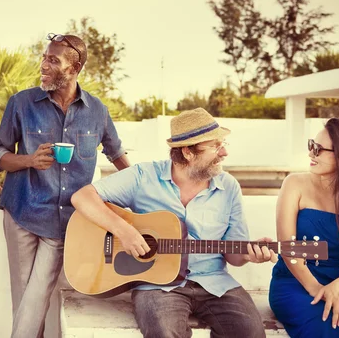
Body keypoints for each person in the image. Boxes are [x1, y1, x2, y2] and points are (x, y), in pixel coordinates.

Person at [71, 108, 276, 338]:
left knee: (251, 333)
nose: (224, 152)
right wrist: (123, 231)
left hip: (214, 283)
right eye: (216, 146)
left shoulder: (229, 187)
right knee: (164, 333)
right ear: (188, 152)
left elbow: (235, 257)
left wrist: (250, 254)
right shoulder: (144, 177)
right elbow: (82, 197)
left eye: (223, 143)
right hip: (157, 286)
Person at [0, 33, 130, 337]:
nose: (43, 64)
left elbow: (116, 154)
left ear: (74, 67)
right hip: (22, 210)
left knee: (38, 291)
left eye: (53, 60)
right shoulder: (21, 103)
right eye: (44, 57)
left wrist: (143, 190)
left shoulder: (97, 111)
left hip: (66, 219)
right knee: (25, 296)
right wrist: (29, 161)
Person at [269, 118, 339, 337]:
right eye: (311, 146)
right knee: (326, 321)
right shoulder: (294, 184)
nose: (311, 154)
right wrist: (316, 288)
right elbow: (288, 249)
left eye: (318, 149)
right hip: (296, 281)